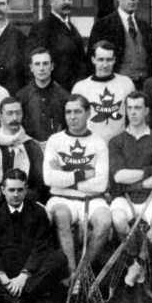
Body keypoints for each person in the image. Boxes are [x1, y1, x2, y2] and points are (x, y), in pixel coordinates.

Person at [0, 169, 67, 303]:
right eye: (11, 190)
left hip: (27, 268)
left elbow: (42, 246)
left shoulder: (37, 211)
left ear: (26, 190)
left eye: (20, 190)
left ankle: (18, 293)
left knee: (59, 258)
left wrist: (23, 276)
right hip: (2, 266)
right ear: (3, 190)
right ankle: (6, 292)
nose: (16, 195)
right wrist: (2, 275)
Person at [43, 94, 111, 277]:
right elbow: (49, 179)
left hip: (92, 199)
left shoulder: (98, 142)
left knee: (104, 222)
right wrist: (83, 174)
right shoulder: (55, 140)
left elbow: (100, 184)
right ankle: (71, 270)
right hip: (61, 198)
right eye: (68, 112)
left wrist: (64, 176)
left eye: (77, 112)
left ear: (88, 113)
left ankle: (83, 271)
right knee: (61, 214)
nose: (72, 117)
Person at [108, 91, 152, 285]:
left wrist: (138, 182)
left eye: (138, 108)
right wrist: (149, 171)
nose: (133, 112)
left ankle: (137, 263)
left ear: (146, 111)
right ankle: (137, 260)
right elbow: (118, 176)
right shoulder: (116, 141)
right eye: (130, 108)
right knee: (119, 220)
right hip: (123, 197)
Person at [0, 96, 46, 225]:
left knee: (45, 217)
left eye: (18, 113)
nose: (14, 118)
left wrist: (17, 200)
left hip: (26, 201)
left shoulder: (31, 146)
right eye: (9, 113)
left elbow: (39, 186)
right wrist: (3, 205)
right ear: (0, 115)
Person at [88, 0, 152, 88]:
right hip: (117, 86)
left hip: (143, 86)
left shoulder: (145, 26)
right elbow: (92, 60)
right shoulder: (103, 25)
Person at [27, 0, 90, 91]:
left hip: (74, 90)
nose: (67, 2)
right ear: (51, 1)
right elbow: (34, 63)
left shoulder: (71, 27)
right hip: (53, 92)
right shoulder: (41, 28)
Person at [71, 41, 135, 142]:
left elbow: (133, 117)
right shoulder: (81, 88)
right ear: (93, 60)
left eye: (109, 60)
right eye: (100, 60)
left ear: (114, 60)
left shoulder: (126, 84)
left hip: (119, 146)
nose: (105, 65)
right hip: (91, 145)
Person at [17, 47, 69, 148]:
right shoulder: (22, 96)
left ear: (52, 66)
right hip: (29, 149)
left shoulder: (63, 96)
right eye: (37, 64)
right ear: (31, 67)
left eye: (45, 63)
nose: (41, 68)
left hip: (57, 148)